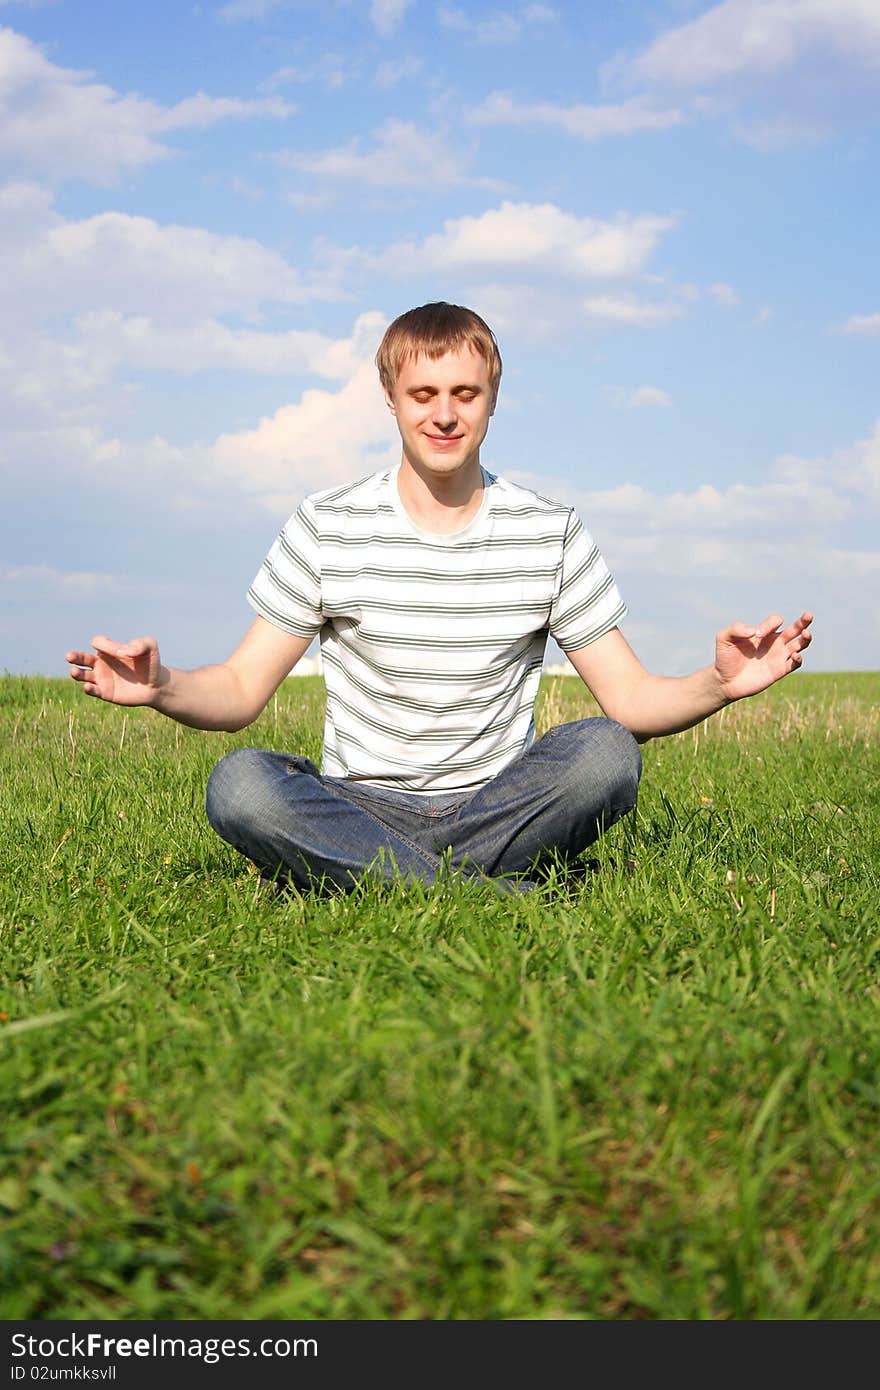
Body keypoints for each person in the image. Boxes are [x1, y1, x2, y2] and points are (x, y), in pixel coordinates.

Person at [66, 302, 813, 894]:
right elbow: (238, 690)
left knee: (606, 754)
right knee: (241, 786)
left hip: (496, 805)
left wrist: (719, 684)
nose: (444, 415)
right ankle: (482, 892)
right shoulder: (327, 524)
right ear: (391, 398)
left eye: (465, 393)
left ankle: (366, 878)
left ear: (493, 400)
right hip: (360, 803)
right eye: (423, 394)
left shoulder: (548, 530)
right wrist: (162, 686)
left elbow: (631, 702)